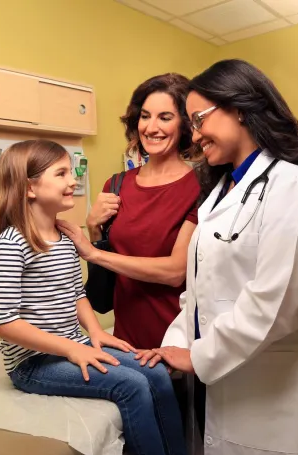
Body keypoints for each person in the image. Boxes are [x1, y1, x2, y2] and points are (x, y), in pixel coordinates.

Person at [142, 59, 298, 455]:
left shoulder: (292, 186)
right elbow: (198, 291)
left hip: (270, 390)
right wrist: (174, 343)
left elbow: (279, 299)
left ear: (240, 108)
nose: (194, 136)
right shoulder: (218, 194)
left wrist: (199, 355)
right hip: (218, 383)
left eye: (199, 120)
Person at [0, 139, 194, 455]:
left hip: (73, 346)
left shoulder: (66, 236)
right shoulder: (11, 244)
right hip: (33, 362)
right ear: (30, 188)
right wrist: (71, 348)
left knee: (156, 372)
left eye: (71, 171)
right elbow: (3, 322)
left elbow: (75, 295)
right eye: (62, 173)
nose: (74, 180)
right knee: (132, 385)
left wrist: (96, 333)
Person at [57, 73, 200, 351]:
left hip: (177, 342)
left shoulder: (199, 188)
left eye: (165, 117)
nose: (151, 127)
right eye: (145, 116)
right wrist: (94, 227)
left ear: (185, 124)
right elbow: (102, 293)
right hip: (124, 340)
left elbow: (175, 271)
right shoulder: (117, 185)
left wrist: (93, 251)